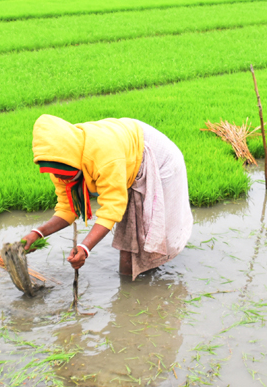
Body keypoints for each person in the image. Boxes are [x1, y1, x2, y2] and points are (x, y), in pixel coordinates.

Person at [23, 114, 193, 279]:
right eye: (56, 174)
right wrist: (38, 233)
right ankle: (132, 283)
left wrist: (85, 247)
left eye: (67, 174)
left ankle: (141, 288)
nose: (61, 178)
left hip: (157, 159)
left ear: (75, 161)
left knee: (147, 234)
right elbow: (68, 208)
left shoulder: (103, 155)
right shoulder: (60, 164)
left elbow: (112, 208)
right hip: (124, 157)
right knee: (130, 242)